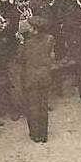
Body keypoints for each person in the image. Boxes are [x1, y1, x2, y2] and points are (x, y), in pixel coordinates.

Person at [16, 15, 55, 144]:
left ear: (35, 29)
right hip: (45, 76)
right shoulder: (50, 39)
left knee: (32, 106)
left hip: (31, 78)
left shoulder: (28, 43)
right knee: (43, 106)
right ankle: (44, 134)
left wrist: (21, 43)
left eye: (31, 27)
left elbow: (20, 59)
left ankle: (35, 134)